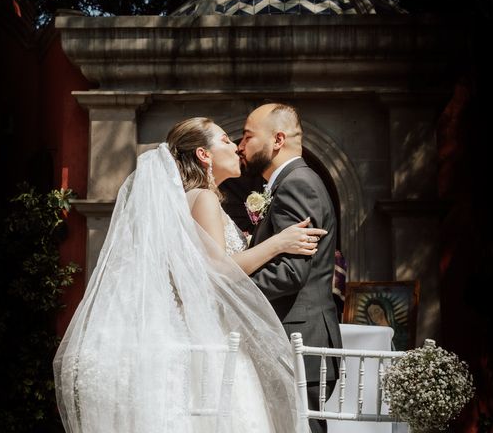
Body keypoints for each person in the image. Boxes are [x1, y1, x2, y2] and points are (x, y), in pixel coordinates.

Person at [53, 117, 326, 433]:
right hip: (209, 334)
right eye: (225, 140)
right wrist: (279, 243)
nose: (236, 147)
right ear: (203, 154)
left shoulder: (184, 200)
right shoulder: (203, 197)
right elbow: (219, 268)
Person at [238, 103, 343, 433]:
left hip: (298, 340)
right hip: (294, 337)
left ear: (277, 139)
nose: (241, 145)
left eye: (247, 136)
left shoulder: (298, 183)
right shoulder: (293, 182)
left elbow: (291, 272)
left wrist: (231, 288)